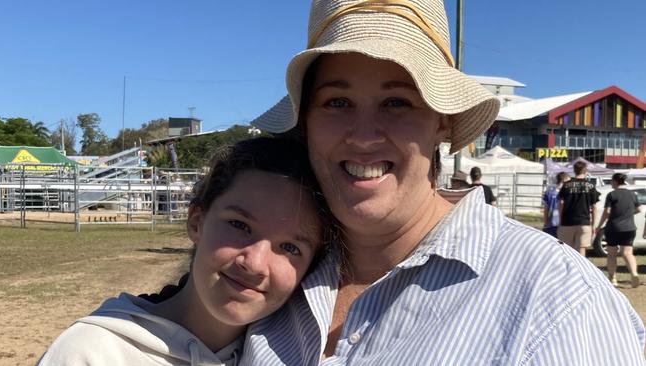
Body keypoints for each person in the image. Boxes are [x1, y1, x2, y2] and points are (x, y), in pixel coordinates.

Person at [247, 0, 645, 364]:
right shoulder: (269, 270)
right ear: (307, 122)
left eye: (397, 102)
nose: (364, 135)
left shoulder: (554, 296)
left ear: (442, 120)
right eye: (337, 102)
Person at [37, 137, 335, 366]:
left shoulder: (290, 356)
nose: (255, 263)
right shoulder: (93, 353)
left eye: (290, 247)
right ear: (196, 222)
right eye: (239, 225)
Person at [595, 173, 641, 288]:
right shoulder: (632, 194)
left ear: (615, 181)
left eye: (611, 181)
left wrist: (599, 226)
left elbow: (607, 212)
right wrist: (629, 213)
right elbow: (639, 209)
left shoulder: (612, 195)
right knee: (627, 253)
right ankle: (634, 273)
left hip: (614, 228)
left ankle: (613, 278)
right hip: (629, 228)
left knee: (612, 254)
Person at [558, 161, 600, 257]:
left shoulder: (566, 185)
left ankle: (568, 270)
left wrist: (560, 221)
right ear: (586, 171)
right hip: (584, 222)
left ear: (574, 170)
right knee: (581, 249)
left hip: (567, 222)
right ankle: (580, 270)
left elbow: (561, 203)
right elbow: (594, 207)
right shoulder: (590, 186)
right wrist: (593, 225)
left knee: (567, 249)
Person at [542, 172, 571, 238]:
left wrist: (546, 223)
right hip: (555, 225)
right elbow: (546, 209)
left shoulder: (549, 192)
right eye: (569, 182)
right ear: (564, 181)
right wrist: (546, 223)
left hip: (557, 225)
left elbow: (546, 210)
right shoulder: (565, 193)